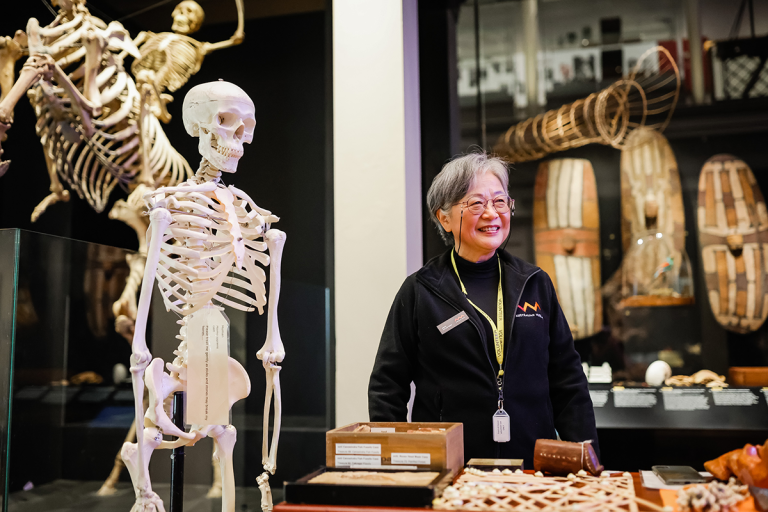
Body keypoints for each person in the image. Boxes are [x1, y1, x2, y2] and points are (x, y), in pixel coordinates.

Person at [368, 153, 598, 467]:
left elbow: (568, 382)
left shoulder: (535, 283)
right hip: (449, 467)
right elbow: (387, 386)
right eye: (476, 204)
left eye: (500, 202)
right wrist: (398, 463)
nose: (491, 214)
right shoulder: (421, 290)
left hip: (531, 467)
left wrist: (584, 461)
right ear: (444, 218)